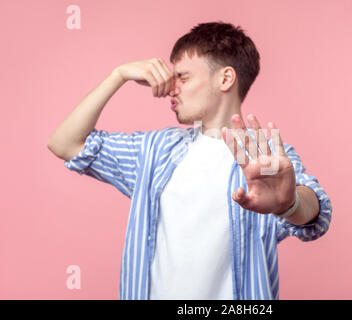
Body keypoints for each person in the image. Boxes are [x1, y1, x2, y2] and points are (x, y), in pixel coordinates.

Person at [47, 21, 332, 300]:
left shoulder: (264, 156)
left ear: (225, 78)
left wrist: (289, 203)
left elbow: (316, 213)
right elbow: (65, 143)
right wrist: (118, 75)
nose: (172, 87)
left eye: (183, 77)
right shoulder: (155, 150)